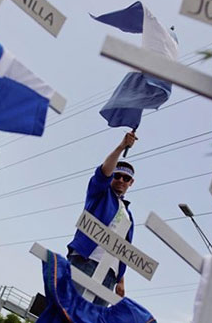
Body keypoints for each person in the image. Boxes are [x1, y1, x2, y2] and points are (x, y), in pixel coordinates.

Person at [66, 131, 138, 306]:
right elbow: (103, 173)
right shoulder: (100, 193)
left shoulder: (128, 215)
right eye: (117, 175)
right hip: (85, 261)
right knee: (68, 313)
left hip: (109, 275)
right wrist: (121, 147)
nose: (121, 179)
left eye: (126, 178)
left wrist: (120, 278)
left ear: (131, 183)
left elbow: (123, 247)